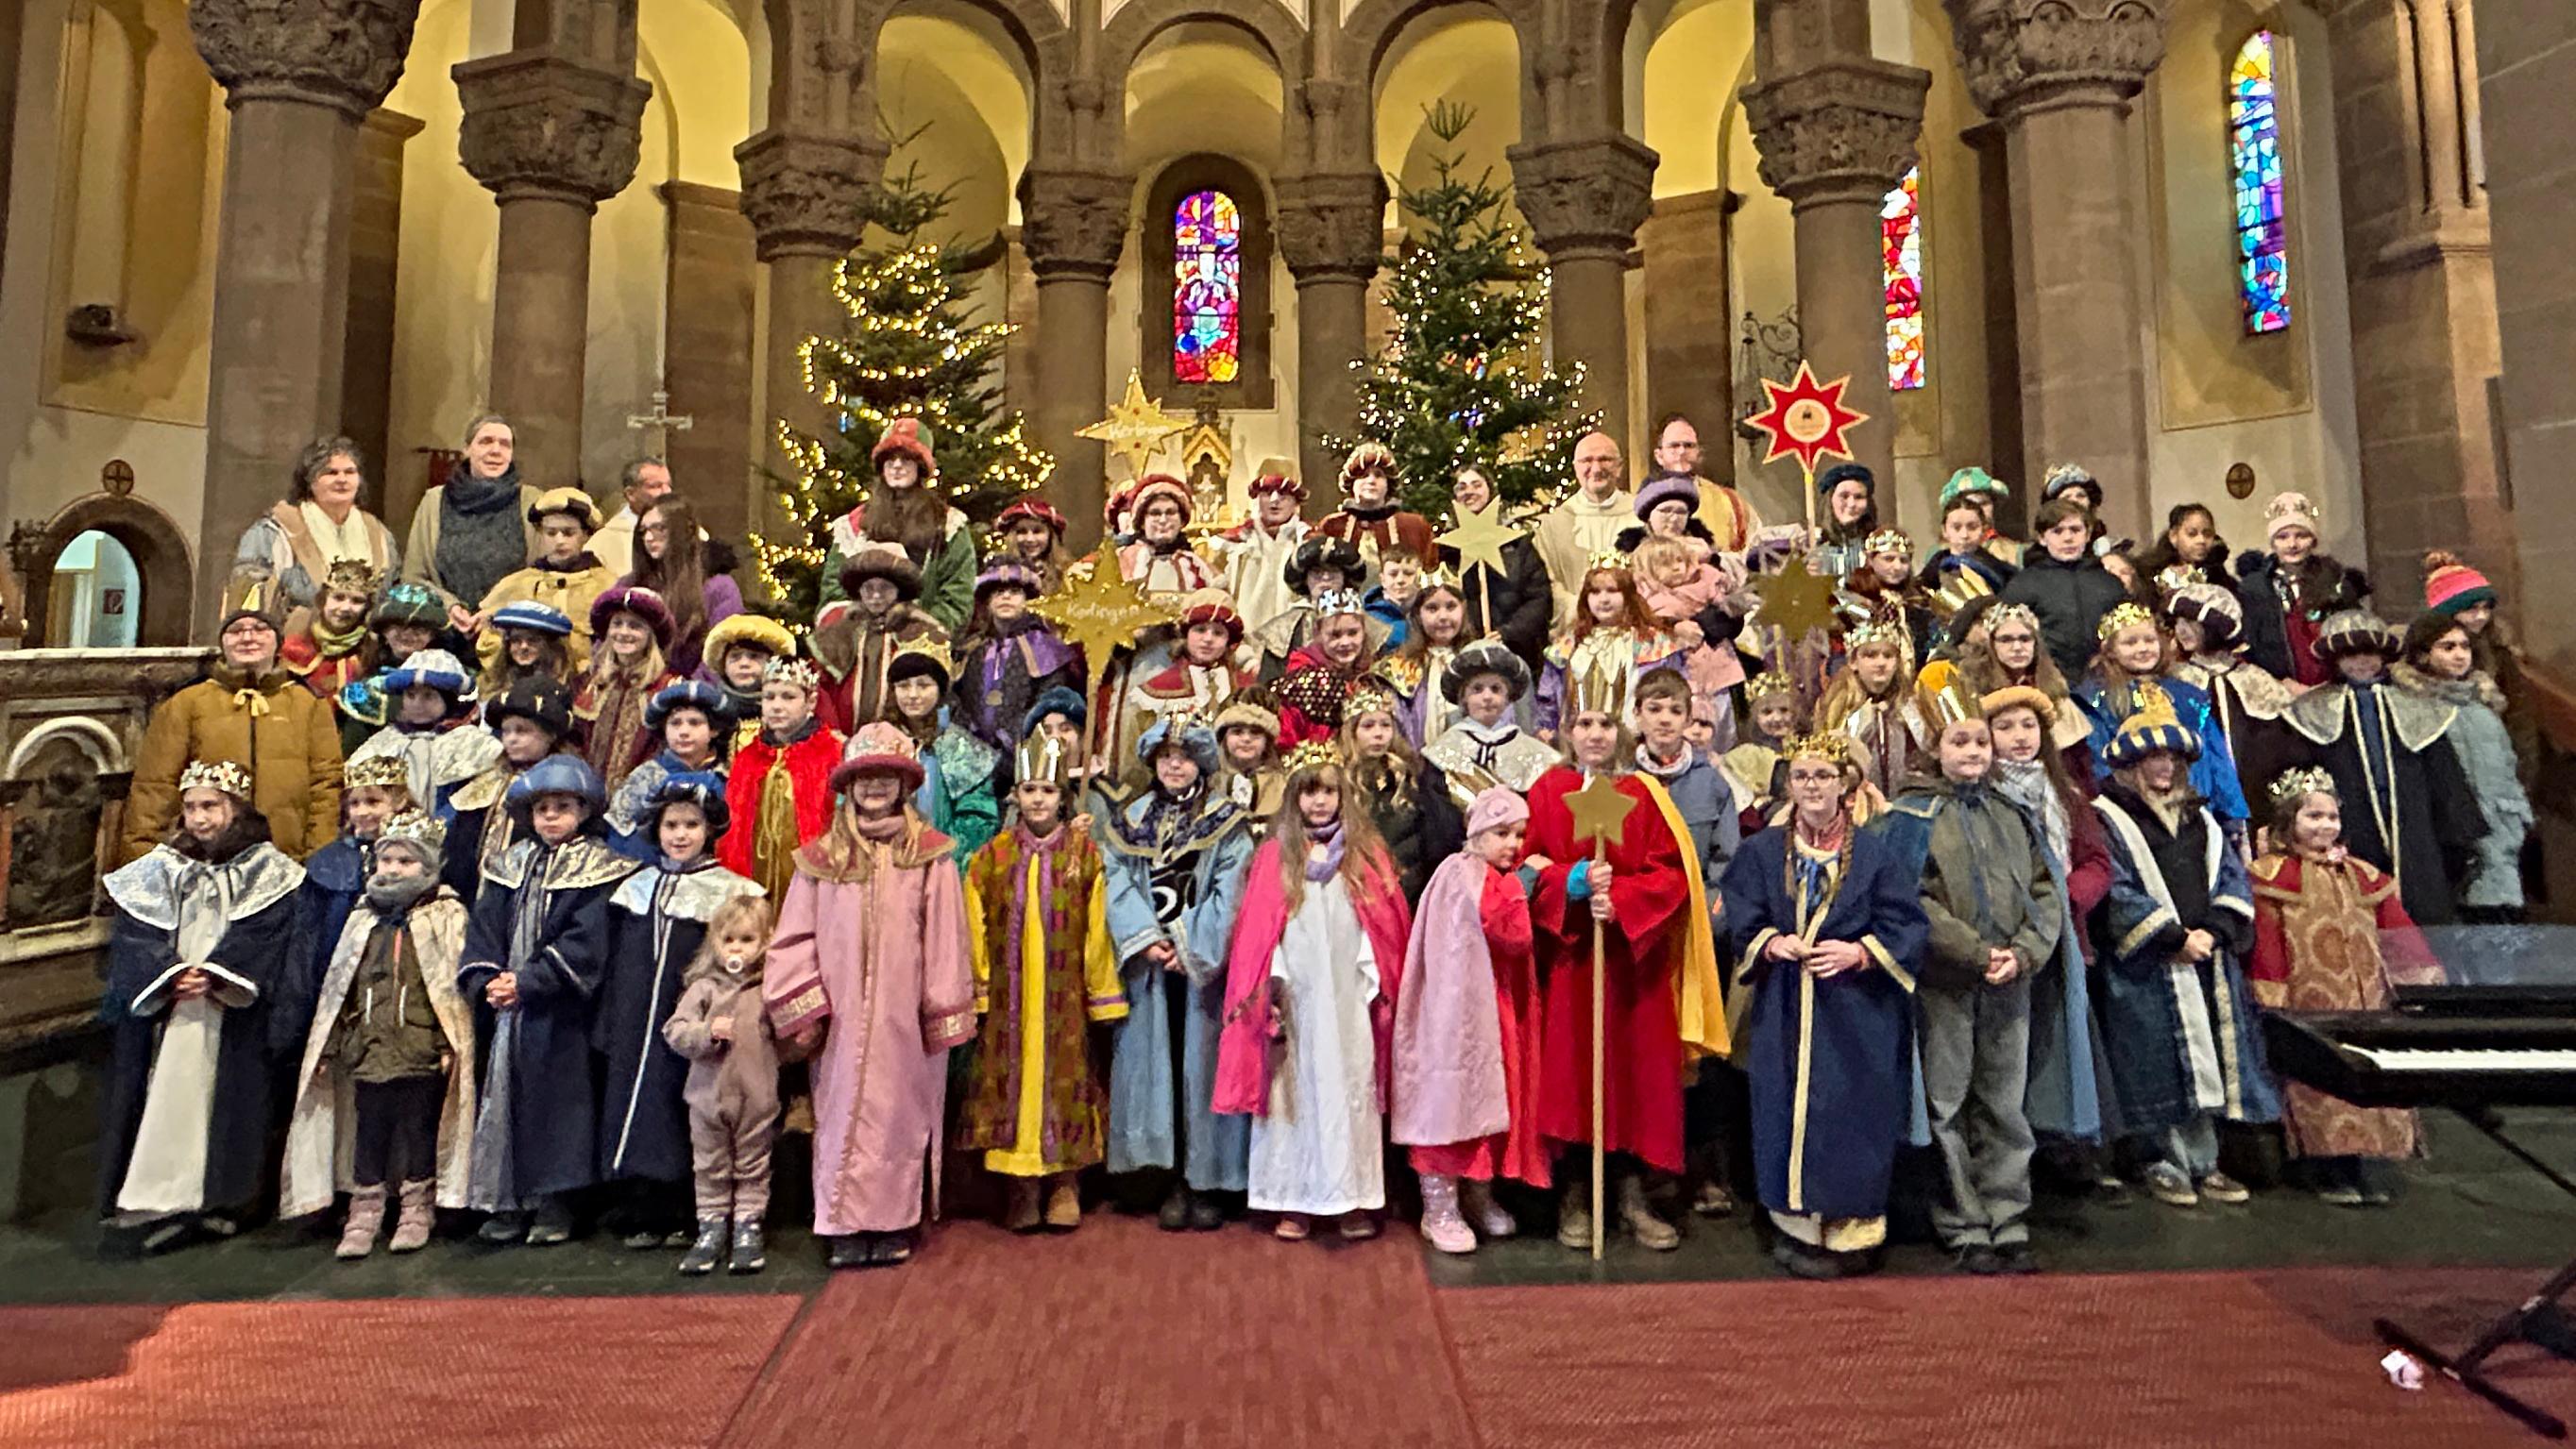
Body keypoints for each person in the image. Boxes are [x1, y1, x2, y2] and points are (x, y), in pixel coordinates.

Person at [1525, 682, 1728, 1253]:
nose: (1594, 735)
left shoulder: (1642, 794)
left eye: (1605, 725)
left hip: (1631, 966)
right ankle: (1576, 1195)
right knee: (1574, 1081)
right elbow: (1523, 866)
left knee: (1632, 1083)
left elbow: (1671, 874)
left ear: (1622, 732)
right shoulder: (1549, 790)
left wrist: (1625, 900)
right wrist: (1569, 884)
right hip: (1572, 961)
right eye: (1584, 723)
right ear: (1568, 730)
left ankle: (1634, 1196)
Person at [766, 724, 978, 1270]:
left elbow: (946, 939)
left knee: (899, 1116)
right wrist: (804, 1005)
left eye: (887, 776)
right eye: (865, 777)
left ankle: (892, 1222)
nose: (875, 787)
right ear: (849, 785)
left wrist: (941, 1007)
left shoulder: (931, 858)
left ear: (905, 785)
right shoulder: (819, 860)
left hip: (902, 1018)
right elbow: (793, 936)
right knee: (837, 1115)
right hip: (839, 1020)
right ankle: (840, 1223)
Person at [1719, 733, 1925, 1279]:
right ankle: (1797, 1221)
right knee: (1785, 1105)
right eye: (1803, 777)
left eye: (1824, 777)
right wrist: (1771, 941)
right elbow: (1741, 912)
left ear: (1845, 785)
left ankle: (1855, 1223)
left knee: (1853, 1109)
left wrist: (1859, 952)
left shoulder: (1875, 852)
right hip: (1786, 1004)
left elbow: (1907, 924)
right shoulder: (1762, 851)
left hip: (1857, 1011)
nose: (1813, 787)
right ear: (1790, 784)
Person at [1879, 688, 2062, 1274]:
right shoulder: (1910, 818)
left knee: (2005, 1103)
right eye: (1960, 741)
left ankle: (2007, 1214)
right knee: (1948, 1099)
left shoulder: (2012, 814)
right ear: (1936, 749)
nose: (1975, 751)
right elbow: (1915, 899)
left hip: (2011, 980)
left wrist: (2026, 952)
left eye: (1981, 742)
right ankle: (1963, 1219)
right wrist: (1977, 952)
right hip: (1948, 980)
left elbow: (2043, 890)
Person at [97, 760, 306, 1252]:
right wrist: (170, 974)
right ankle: (164, 1197)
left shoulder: (268, 869)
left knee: (227, 1098)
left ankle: (224, 1198)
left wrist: (217, 974)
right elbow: (137, 932)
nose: (199, 818)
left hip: (227, 1005)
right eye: (191, 807)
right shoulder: (164, 866)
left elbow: (267, 934)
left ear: (236, 809)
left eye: (211, 806)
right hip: (173, 1004)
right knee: (170, 1098)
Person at [1213, 744, 1415, 1241]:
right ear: (1294, 798)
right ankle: (1293, 1200)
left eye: (1328, 790)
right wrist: (1271, 987)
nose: (1319, 802)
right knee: (1293, 1096)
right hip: (1295, 1001)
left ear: (1343, 795)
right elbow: (1258, 934)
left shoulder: (1367, 857)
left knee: (1350, 1091)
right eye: (1309, 791)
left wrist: (1376, 983)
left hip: (1349, 999)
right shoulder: (1274, 858)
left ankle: (1350, 1198)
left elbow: (1385, 930)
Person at [2089, 685, 2279, 1208]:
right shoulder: (2108, 818)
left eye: (2171, 758)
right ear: (2130, 765)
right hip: (2149, 963)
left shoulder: (2202, 818)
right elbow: (2114, 887)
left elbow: (2231, 879)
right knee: (2154, 1061)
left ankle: (2206, 1160)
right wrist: (2171, 937)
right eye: (2152, 758)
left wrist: (2215, 930)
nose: (2163, 769)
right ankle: (2161, 1159)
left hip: (2204, 959)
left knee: (2212, 1058)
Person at [279, 809, 473, 1257]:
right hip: (367, 1048)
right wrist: (328, 1045)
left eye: (406, 862)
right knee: (370, 1131)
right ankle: (365, 1210)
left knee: (418, 1130)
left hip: (420, 1047)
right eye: (388, 861)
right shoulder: (362, 918)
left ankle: (416, 1208)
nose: (394, 870)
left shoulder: (445, 915)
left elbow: (447, 992)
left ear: (428, 868)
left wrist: (447, 1043)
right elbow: (340, 991)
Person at [957, 731, 1127, 1233]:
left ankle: (1065, 1183)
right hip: (1010, 1001)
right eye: (1028, 789)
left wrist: (1102, 992)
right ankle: (1021, 1187)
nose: (1037, 799)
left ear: (1062, 796)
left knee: (1066, 1083)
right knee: (1009, 1086)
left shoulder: (1083, 854)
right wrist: (979, 986)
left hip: (1063, 999)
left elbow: (1097, 926)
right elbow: (975, 924)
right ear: (1015, 795)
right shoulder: (992, 857)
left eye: (1047, 791)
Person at [2248, 772, 2445, 1205]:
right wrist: (2272, 989)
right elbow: (2267, 937)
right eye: (2313, 815)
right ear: (2289, 820)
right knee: (2316, 1083)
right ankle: (2325, 1168)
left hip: (2366, 1001)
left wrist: (2420, 973)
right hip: (2309, 998)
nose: (2325, 825)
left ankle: (2361, 1164)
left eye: (2332, 816)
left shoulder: (2365, 875)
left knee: (2368, 1077)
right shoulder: (2272, 876)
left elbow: (2397, 929)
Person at [459, 755, 632, 1246]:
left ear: (585, 809)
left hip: (562, 1010)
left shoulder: (599, 868)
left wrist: (531, 981)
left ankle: (558, 1200)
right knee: (505, 1101)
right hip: (507, 1011)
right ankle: (509, 1198)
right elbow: (485, 926)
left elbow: (588, 939)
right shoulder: (508, 864)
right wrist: (488, 977)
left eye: (562, 807)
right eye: (542, 809)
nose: (551, 817)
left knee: (561, 1104)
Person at [1099, 716, 1256, 1231]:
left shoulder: (1227, 821)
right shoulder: (1131, 819)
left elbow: (1232, 890)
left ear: (1202, 764)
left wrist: (1190, 942)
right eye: (1166, 757)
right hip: (1149, 966)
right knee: (1156, 1071)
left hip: (1201, 968)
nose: (1174, 764)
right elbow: (1115, 879)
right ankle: (1162, 1179)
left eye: (1185, 756)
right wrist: (1146, 938)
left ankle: (1207, 1181)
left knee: (1203, 1070)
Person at [598, 772, 761, 1251]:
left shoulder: (730, 892)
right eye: (672, 825)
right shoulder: (633, 888)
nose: (681, 834)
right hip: (635, 1019)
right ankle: (641, 1207)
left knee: (685, 1106)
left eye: (691, 824)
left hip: (696, 1022)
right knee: (638, 1103)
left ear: (708, 829)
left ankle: (689, 1211)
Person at [1395, 787, 1547, 1254]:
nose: (1513, 843)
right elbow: (1513, 934)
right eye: (1501, 833)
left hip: (1493, 1005)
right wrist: (1526, 880)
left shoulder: (1481, 875)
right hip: (1457, 1013)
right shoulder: (1466, 876)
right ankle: (1439, 1207)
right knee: (1452, 1101)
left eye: (1519, 834)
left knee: (1488, 1101)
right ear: (1477, 833)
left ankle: (1479, 1195)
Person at [122, 570, 344, 865]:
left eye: (259, 629)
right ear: (223, 642)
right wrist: (144, 861)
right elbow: (154, 788)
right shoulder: (187, 703)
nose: (248, 637)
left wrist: (318, 858)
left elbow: (325, 788)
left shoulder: (308, 705)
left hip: (285, 861)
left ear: (277, 641)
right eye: (236, 630)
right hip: (204, 862)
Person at [2281, 611, 2485, 925]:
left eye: (2369, 653)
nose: (2361, 662)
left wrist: (2460, 833)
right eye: (2350, 655)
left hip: (2413, 826)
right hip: (2349, 824)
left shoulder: (2415, 704)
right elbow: (2302, 775)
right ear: (2335, 659)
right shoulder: (2313, 711)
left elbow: (2444, 777)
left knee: (2424, 910)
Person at [660, 894, 781, 1273]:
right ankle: (711, 1226)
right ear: (716, 943)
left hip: (757, 1097)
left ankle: (748, 1225)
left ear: (764, 941)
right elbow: (675, 1031)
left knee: (753, 1164)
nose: (737, 948)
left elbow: (790, 1038)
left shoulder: (768, 990)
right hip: (706, 1098)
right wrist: (707, 1031)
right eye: (729, 939)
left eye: (747, 940)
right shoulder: (702, 989)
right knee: (710, 1164)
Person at [2394, 611, 2532, 922]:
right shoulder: (2411, 709)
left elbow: (2508, 771)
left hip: (2500, 842)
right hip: (2449, 850)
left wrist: (2515, 819)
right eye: (2448, 647)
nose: (2460, 655)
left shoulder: (2483, 708)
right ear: (2423, 654)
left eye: (2465, 646)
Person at [2073, 602, 2250, 831]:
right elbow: (2099, 759)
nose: (2143, 648)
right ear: (2110, 651)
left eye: (2150, 640)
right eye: (2130, 642)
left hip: (2197, 808)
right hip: (2133, 814)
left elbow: (2217, 759)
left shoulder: (2189, 696)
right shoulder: (2098, 699)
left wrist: (2232, 813)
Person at [818, 416, 980, 632]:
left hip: (922, 646)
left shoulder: (949, 526)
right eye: (889, 460)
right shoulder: (853, 526)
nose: (897, 466)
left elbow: (958, 596)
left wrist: (915, 618)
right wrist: (861, 615)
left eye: (906, 459)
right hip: (862, 642)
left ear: (920, 467)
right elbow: (833, 590)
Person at [719, 657, 847, 902]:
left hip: (808, 877)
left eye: (788, 697)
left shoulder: (831, 752)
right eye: (769, 697)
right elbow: (733, 826)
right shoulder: (749, 756)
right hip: (755, 876)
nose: (777, 706)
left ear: (810, 700)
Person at [235, 435, 401, 625]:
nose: (342, 480)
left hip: (367, 647)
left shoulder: (379, 534)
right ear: (309, 480)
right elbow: (248, 603)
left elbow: (392, 594)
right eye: (330, 472)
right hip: (295, 646)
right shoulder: (272, 532)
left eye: (350, 472)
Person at [402, 414, 543, 636]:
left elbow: (541, 577)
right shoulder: (434, 501)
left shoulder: (533, 502)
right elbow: (414, 576)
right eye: (486, 441)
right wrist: (449, 606)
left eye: (505, 444)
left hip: (510, 634)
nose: (496, 450)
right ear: (467, 449)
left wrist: (496, 610)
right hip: (444, 631)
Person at [443, 676, 573, 904]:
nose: (511, 739)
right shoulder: (488, 780)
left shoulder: (564, 785)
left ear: (550, 735)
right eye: (506, 731)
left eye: (522, 731)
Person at [2165, 582, 2296, 800]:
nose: (2181, 630)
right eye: (2177, 622)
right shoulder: (2175, 681)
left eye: (2190, 622)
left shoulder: (2256, 680)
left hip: (2256, 798)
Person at [882, 639, 1004, 862]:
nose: (913, 695)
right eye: (904, 686)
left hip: (942, 864)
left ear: (940, 690)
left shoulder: (961, 747)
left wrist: (945, 855)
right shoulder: (878, 741)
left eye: (923, 685)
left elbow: (978, 816)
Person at [1534, 558, 1685, 738]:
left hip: (1636, 743)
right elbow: (1548, 697)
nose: (1603, 599)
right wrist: (1547, 728)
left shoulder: (1652, 643)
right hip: (1579, 745)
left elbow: (1676, 692)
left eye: (1612, 591)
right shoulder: (1570, 644)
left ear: (1628, 596)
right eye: (1595, 592)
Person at [811, 542, 949, 735]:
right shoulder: (838, 633)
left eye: (884, 588)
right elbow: (819, 690)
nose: (876, 596)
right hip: (840, 741)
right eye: (868, 588)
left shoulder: (921, 633)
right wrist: (831, 732)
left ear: (899, 590)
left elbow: (934, 694)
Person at [2422, 550, 2537, 781]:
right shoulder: (2422, 659)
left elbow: (2520, 718)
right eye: (2471, 609)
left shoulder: (2498, 652)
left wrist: (2521, 774)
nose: (2481, 616)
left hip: (2496, 762)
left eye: (2486, 608)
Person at [2234, 491, 2369, 687]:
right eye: (2282, 537)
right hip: (2279, 689)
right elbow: (2250, 646)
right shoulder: (2254, 588)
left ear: (2313, 540)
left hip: (2334, 685)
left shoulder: (2336, 582)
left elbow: (2354, 636)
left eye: (2301, 535)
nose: (2292, 544)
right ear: (2272, 542)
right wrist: (2283, 683)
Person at [476, 487, 618, 673]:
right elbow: (489, 641)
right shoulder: (516, 584)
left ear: (585, 534)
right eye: (551, 533)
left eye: (568, 533)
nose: (559, 541)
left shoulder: (607, 586)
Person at [1339, 686, 1463, 899]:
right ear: (1352, 733)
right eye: (1368, 726)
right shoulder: (1342, 781)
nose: (1378, 734)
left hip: (1409, 884)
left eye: (1385, 725)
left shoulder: (1412, 777)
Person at [1999, 497, 2130, 683]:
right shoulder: (2024, 584)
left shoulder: (2109, 583)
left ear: (2088, 534)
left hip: (2107, 681)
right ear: (2042, 538)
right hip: (2047, 682)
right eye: (2057, 531)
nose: (2068, 538)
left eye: (2075, 530)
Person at [952, 562, 1080, 751]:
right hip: (972, 754)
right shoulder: (972, 649)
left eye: (1014, 591)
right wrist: (969, 735)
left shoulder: (1046, 648)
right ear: (988, 602)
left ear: (1028, 600)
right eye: (998, 592)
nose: (1006, 596)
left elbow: (1049, 701)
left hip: (1024, 749)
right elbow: (956, 698)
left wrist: (1009, 736)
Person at [1421, 641, 1560, 813]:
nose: (1487, 697)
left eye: (1496, 689)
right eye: (1477, 689)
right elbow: (1439, 816)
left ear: (1508, 697)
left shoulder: (1535, 754)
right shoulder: (1440, 754)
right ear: (1463, 697)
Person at [1440, 463, 1554, 667]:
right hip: (1464, 652)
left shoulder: (1518, 546)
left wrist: (1507, 634)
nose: (1469, 492)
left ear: (1490, 491)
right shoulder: (1447, 551)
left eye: (1477, 485)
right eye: (1462, 487)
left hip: (1515, 654)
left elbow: (1539, 598)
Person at [573, 585, 681, 795]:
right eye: (617, 624)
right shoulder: (590, 685)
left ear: (651, 635)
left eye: (634, 626)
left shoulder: (669, 689)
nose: (623, 633)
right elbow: (576, 743)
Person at [622, 492, 742, 678]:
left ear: (683, 531)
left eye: (659, 528)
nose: (648, 538)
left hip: (694, 697)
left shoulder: (719, 587)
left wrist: (685, 694)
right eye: (643, 531)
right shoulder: (629, 585)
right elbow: (605, 642)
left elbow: (721, 650)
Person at [606, 680, 736, 852]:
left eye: (694, 723)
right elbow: (620, 839)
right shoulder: (645, 777)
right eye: (675, 723)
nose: (683, 732)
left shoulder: (730, 778)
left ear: (714, 730)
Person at [1815, 614, 1927, 804]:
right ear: (1853, 662)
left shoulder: (1910, 706)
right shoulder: (1838, 706)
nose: (1881, 663)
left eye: (1888, 656)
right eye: (1870, 655)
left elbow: (1926, 751)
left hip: (1906, 803)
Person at [1534, 431, 1635, 627]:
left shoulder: (1640, 517)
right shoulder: (1554, 524)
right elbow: (1546, 583)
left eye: (1605, 459)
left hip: (1632, 627)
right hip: (1575, 629)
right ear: (1575, 467)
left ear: (1619, 467)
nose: (1596, 468)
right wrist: (1580, 609)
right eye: (1587, 460)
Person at [1127, 595, 1255, 742]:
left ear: (1229, 641)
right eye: (1200, 630)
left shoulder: (1246, 687)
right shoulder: (1155, 692)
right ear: (1186, 635)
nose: (1208, 639)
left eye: (1218, 633)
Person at [1374, 571, 1475, 749]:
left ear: (1463, 609)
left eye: (1451, 607)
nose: (1443, 617)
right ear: (1417, 615)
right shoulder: (1401, 666)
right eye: (1432, 608)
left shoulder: (1477, 661)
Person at [1315, 442, 1437, 588]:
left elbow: (1430, 575)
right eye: (1363, 476)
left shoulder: (1414, 527)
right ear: (1352, 484)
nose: (1371, 481)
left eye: (1378, 475)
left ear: (1388, 484)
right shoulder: (1332, 527)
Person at [1218, 463, 1310, 649]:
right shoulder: (1231, 544)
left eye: (1283, 495)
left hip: (1294, 647)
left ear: (1295, 501)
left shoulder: (1308, 543)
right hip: (1242, 646)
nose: (1275, 500)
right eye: (1267, 493)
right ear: (1257, 498)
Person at [278, 560, 384, 718]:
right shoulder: (294, 641)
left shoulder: (372, 652)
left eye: (357, 601)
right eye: (338, 597)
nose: (345, 608)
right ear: (323, 599)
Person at [1251, 535, 1368, 675]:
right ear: (1306, 579)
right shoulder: (1283, 629)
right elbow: (1268, 686)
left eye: (1333, 572)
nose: (1325, 578)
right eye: (1317, 572)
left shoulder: (1370, 627)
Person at [1276, 591, 1380, 747]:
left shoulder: (1372, 677)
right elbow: (1286, 739)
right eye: (1335, 635)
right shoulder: (1302, 680)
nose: (1345, 642)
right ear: (1318, 633)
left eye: (1353, 633)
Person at [1650, 413, 1764, 551]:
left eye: (1689, 446)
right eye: (1674, 446)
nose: (1681, 451)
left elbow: (1757, 555)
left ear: (1698, 453)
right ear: (1659, 456)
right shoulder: (1642, 506)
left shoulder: (1731, 503)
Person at [1116, 475, 1224, 598]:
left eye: (1170, 512)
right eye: (1155, 513)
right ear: (1141, 522)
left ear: (1182, 521)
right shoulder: (1124, 560)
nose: (1163, 520)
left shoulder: (1196, 565)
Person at [702, 614, 798, 748]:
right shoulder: (710, 713)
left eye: (754, 657)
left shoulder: (789, 712)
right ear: (723, 664)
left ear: (772, 664)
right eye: (735, 657)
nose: (744, 664)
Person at [1917, 496, 2019, 599]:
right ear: (1944, 530)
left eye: (1972, 527)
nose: (1964, 535)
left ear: (1983, 529)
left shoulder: (2000, 570)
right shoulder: (1934, 568)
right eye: (1956, 528)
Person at [477, 600, 575, 704]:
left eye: (533, 640)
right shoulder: (491, 685)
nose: (524, 647)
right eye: (516, 640)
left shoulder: (568, 687)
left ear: (549, 645)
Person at [591, 457, 672, 579]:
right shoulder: (602, 543)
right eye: (655, 486)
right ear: (630, 494)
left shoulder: (691, 530)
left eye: (669, 485)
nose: (667, 492)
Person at [1214, 695, 1287, 823]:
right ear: (1224, 739)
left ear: (1267, 742)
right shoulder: (1212, 783)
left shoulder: (1282, 785)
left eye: (1255, 733)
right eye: (1237, 732)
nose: (1246, 739)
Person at [2129, 503, 2229, 593]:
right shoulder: (2149, 572)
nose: (2201, 540)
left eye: (2207, 534)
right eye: (2192, 534)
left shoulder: (2217, 574)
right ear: (2173, 536)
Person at [992, 497, 1075, 597]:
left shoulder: (1068, 573)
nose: (1030, 539)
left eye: (1037, 531)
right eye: (1022, 532)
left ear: (1051, 536)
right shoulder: (1000, 574)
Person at [1810, 463, 1879, 579]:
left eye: (1858, 497)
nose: (1851, 504)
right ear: (1830, 500)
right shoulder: (1812, 543)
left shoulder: (1878, 543)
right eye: (1844, 496)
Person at [1364, 547, 1424, 647]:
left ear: (1419, 577)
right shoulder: (1370, 620)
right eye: (1393, 574)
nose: (1400, 580)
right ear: (1383, 580)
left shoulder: (1430, 614)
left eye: (1408, 574)